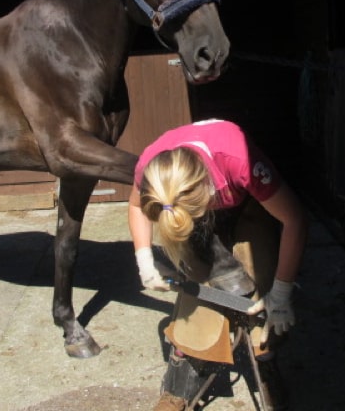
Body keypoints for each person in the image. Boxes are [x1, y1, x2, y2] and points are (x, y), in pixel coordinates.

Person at [128, 119, 308, 411]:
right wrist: (145, 261)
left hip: (247, 199)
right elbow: (136, 206)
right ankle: (182, 372)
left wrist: (282, 290)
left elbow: (294, 220)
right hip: (194, 201)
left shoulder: (241, 160)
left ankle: (265, 358)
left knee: (260, 277)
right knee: (197, 284)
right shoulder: (151, 170)